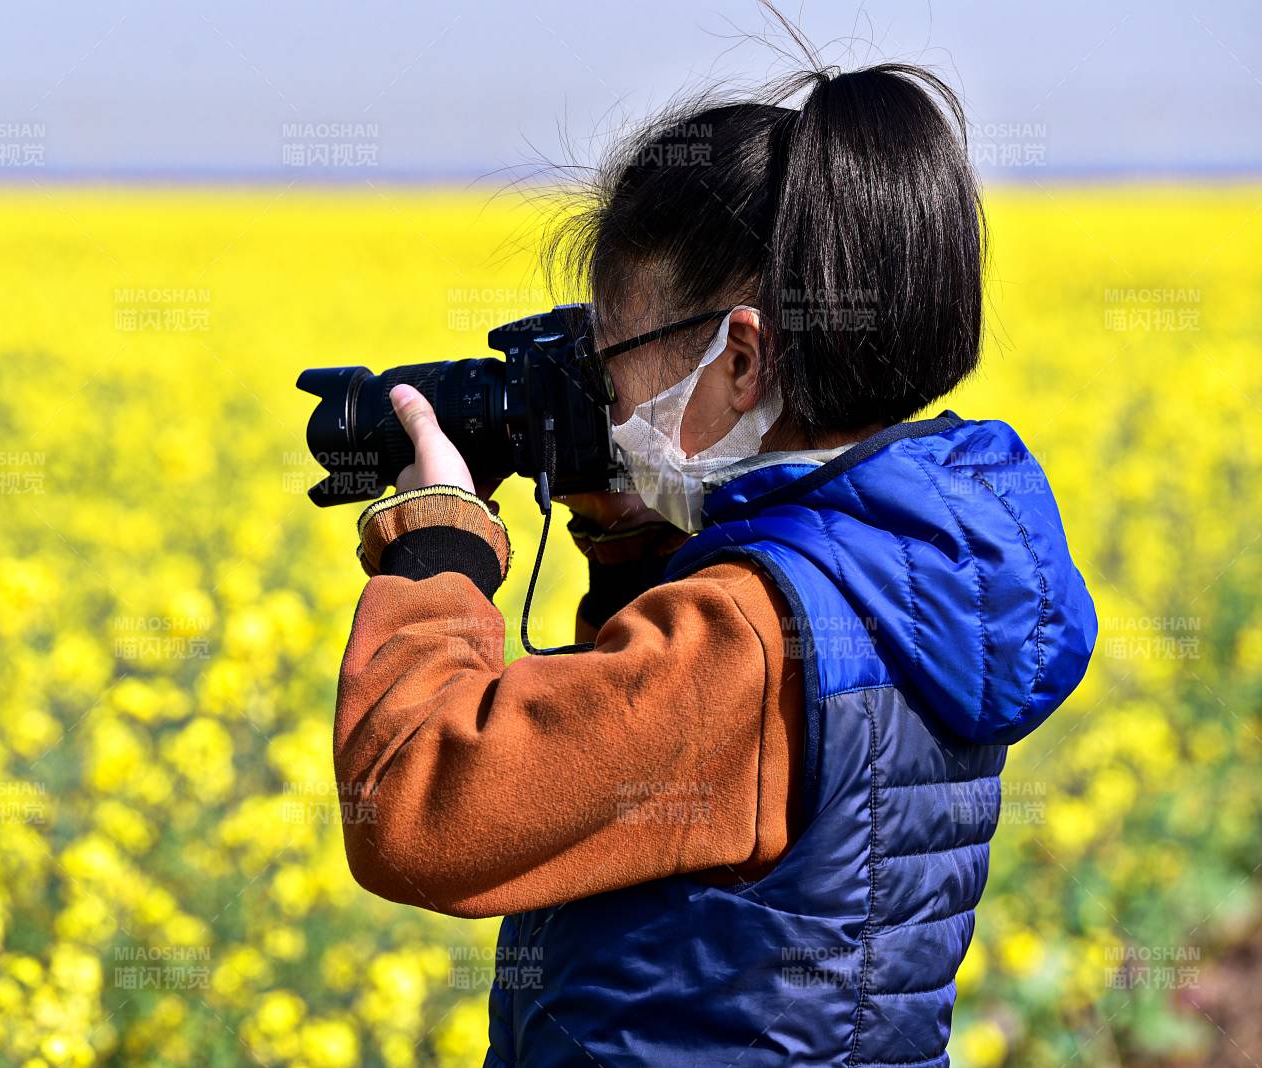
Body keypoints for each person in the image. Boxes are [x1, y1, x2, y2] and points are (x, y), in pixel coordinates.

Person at [332, 63, 1097, 1067]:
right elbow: (695, 809)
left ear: (740, 360)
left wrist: (438, 555)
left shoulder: (746, 634)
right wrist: (628, 549)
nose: (604, 406)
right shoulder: (907, 573)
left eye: (611, 359)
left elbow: (417, 816)